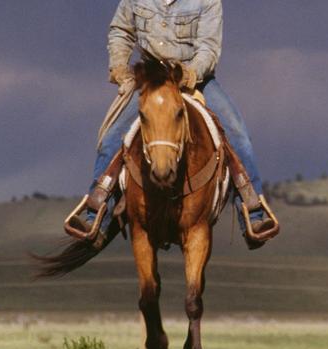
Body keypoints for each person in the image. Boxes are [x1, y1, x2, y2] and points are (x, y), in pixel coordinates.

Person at [72, 0, 277, 249]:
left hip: (195, 79)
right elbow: (121, 31)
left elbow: (208, 48)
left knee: (238, 136)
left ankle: (253, 215)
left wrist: (190, 74)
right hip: (151, 78)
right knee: (112, 139)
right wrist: (119, 66)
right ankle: (96, 216)